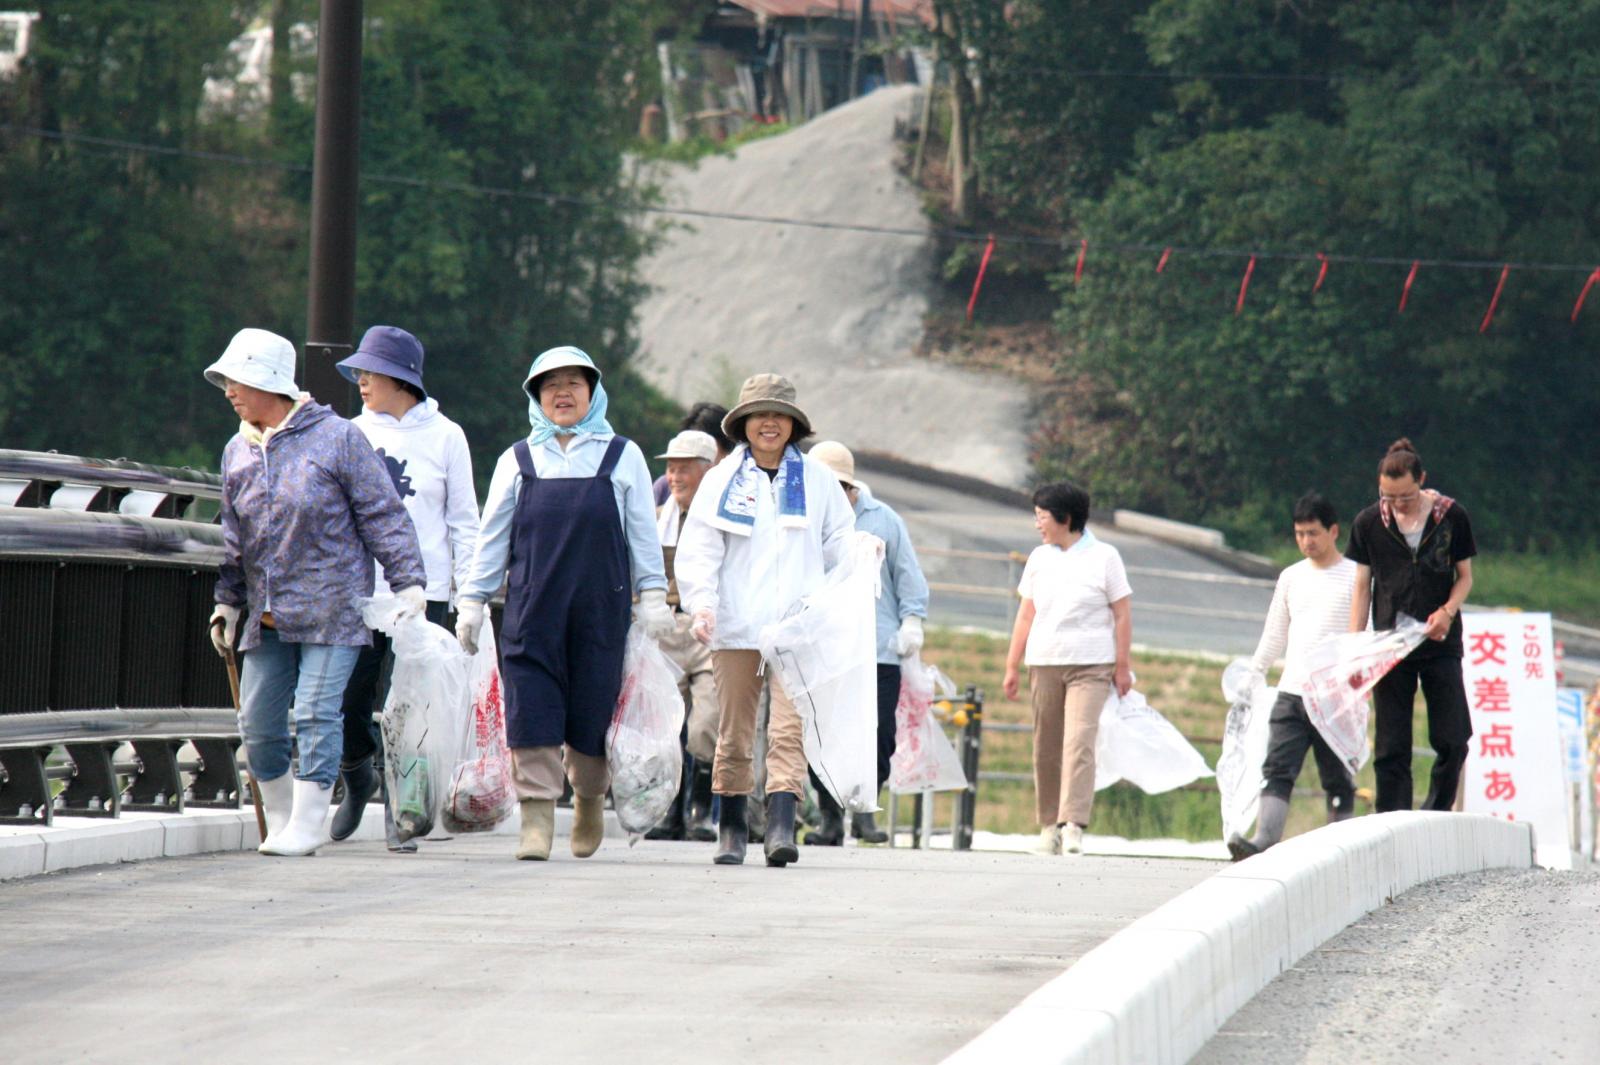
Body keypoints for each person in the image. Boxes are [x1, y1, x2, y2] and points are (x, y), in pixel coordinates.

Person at [205, 328, 428, 857]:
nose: (230, 391)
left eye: (239, 380)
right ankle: (282, 817)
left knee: (315, 713)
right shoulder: (238, 449)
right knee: (257, 722)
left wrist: (408, 582)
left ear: (271, 383)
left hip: (334, 610)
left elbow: (382, 512)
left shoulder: (337, 438)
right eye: (227, 382)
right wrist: (227, 602)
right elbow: (234, 536)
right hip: (269, 612)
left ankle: (309, 823)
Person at [454, 346, 674, 862]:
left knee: (592, 714)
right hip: (532, 609)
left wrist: (654, 596)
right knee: (531, 709)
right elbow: (492, 539)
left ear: (593, 393)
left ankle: (590, 801)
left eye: (575, 383)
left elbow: (643, 534)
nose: (563, 393)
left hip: (602, 610)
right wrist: (472, 600)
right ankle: (536, 818)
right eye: (551, 386)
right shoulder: (519, 459)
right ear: (536, 397)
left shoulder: (623, 456)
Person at [674, 373, 855, 867]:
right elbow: (700, 549)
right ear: (745, 424)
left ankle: (780, 824)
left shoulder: (817, 480)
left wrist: (837, 595)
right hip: (736, 623)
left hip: (799, 626)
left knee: (789, 730)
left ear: (793, 425)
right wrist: (702, 603)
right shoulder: (721, 480)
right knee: (733, 728)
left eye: (779, 416)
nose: (769, 424)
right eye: (760, 415)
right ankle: (731, 826)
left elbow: (840, 542)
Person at [330, 325, 479, 849]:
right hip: (359, 591)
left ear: (401, 377)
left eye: (370, 372)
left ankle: (404, 810)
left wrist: (469, 599)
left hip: (425, 592)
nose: (361, 381)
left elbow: (464, 520)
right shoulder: (347, 433)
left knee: (413, 703)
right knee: (347, 699)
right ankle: (357, 775)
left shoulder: (447, 435)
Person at [805, 441, 929, 846]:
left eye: (838, 486)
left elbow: (907, 574)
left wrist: (911, 620)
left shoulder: (883, 519)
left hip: (878, 648)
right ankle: (828, 817)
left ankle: (864, 811)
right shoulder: (806, 520)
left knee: (879, 733)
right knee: (826, 733)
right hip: (825, 646)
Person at [1002, 482, 1132, 856]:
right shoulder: (1039, 559)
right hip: (1044, 662)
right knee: (1046, 746)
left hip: (1092, 663)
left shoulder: (1105, 557)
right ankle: (1048, 825)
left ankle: (1072, 823)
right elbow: (1026, 614)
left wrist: (1122, 666)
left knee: (1079, 740)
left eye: (1042, 517)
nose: (1037, 525)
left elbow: (1122, 613)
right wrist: (1012, 664)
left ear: (1066, 518)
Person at [1347, 438, 1476, 812]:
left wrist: (1448, 611)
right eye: (1388, 497)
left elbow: (1465, 576)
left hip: (1440, 641)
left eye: (1405, 496)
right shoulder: (1369, 522)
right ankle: (1393, 819)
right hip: (1391, 644)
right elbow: (1361, 587)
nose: (1397, 505)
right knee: (1391, 745)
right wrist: (1357, 648)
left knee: (1454, 737)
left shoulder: (1452, 517)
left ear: (1422, 480)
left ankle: (1436, 810)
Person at [1227, 493, 1358, 860]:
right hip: (1293, 689)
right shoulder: (1291, 577)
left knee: (1337, 775)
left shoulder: (1356, 576)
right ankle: (1264, 838)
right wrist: (1255, 673)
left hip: (1335, 694)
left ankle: (1341, 846)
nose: (1306, 542)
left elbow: (1366, 633)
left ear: (1333, 531)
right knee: (1277, 766)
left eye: (1313, 533)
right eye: (1299, 534)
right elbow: (1275, 633)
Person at [645, 429, 723, 842]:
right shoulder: (657, 519)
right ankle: (670, 809)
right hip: (668, 627)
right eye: (671, 469)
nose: (674, 477)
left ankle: (700, 808)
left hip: (710, 630)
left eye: (684, 469)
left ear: (707, 473)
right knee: (666, 724)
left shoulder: (723, 521)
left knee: (705, 724)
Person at [653, 402, 735, 505]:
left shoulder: (736, 495)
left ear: (727, 452)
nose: (676, 478)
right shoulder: (664, 488)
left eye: (709, 447)